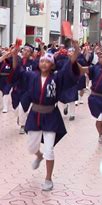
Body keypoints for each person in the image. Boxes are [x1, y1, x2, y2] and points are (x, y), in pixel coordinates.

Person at [13, 40, 81, 191]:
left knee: (50, 149)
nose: (44, 63)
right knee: (31, 148)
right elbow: (18, 71)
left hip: (51, 116)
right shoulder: (31, 76)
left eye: (47, 61)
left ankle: (48, 178)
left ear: (52, 65)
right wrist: (14, 55)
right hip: (35, 114)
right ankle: (38, 155)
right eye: (42, 61)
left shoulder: (57, 78)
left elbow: (70, 65)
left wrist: (76, 49)